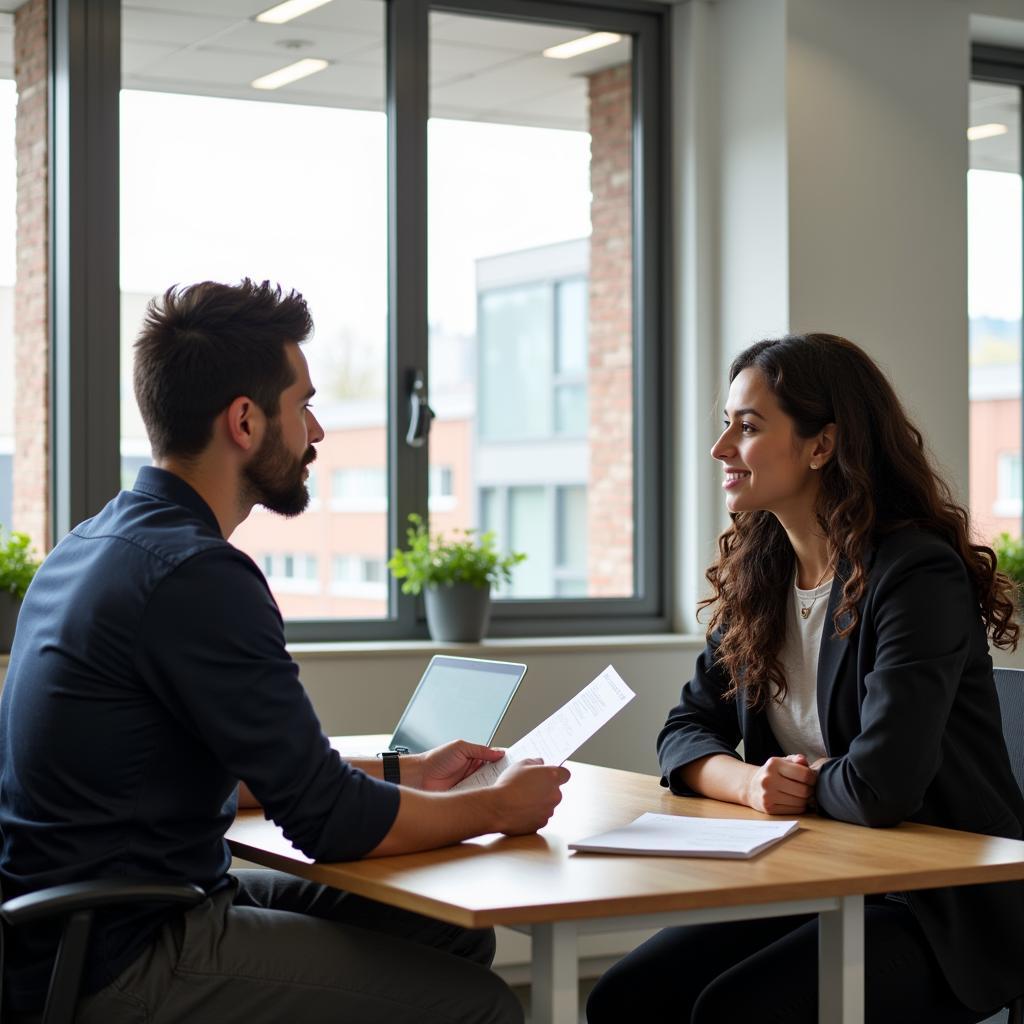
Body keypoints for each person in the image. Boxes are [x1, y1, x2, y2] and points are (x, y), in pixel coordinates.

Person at [0, 279, 570, 1024]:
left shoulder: (93, 543)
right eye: (303, 405)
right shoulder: (197, 575)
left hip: (69, 935)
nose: (317, 432)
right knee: (482, 1006)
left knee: (442, 936)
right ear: (244, 420)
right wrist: (499, 806)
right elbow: (329, 822)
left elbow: (243, 773)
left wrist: (410, 773)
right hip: (128, 954)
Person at [587, 333, 1024, 1024]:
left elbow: (882, 788)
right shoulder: (761, 574)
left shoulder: (914, 576)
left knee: (738, 1011)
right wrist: (748, 784)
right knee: (626, 999)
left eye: (749, 427)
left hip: (936, 907)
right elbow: (684, 730)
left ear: (822, 446)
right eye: (726, 423)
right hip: (815, 876)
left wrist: (793, 785)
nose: (721, 447)